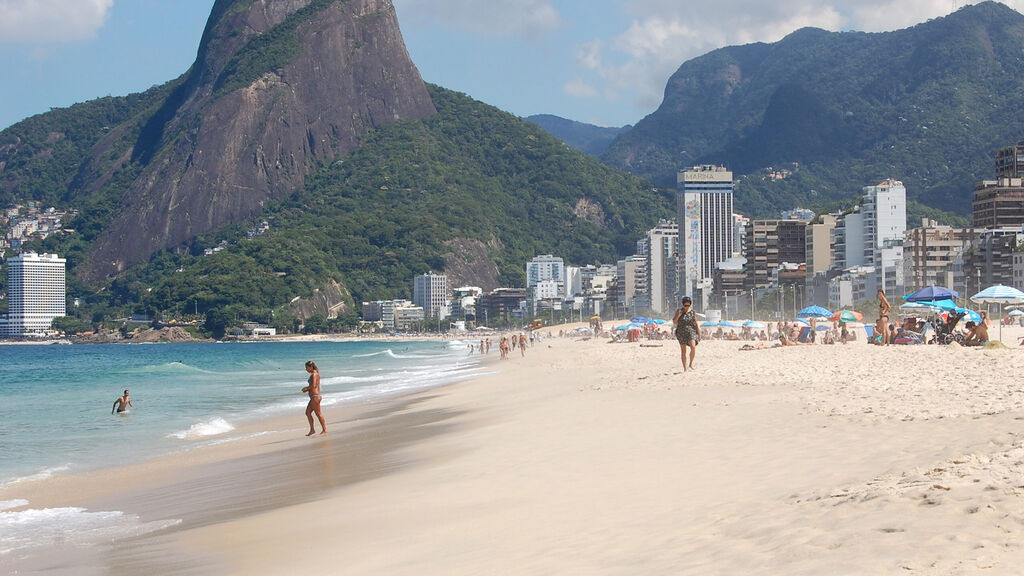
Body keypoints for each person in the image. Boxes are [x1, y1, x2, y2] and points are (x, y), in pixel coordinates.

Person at [672, 297, 700, 371]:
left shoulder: (693, 312)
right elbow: (674, 322)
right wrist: (679, 315)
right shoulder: (679, 311)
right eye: (685, 305)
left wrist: (699, 334)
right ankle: (685, 368)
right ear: (683, 305)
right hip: (681, 331)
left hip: (691, 331)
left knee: (693, 347)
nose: (686, 307)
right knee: (683, 351)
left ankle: (690, 364)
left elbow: (696, 323)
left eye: (688, 305)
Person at [302, 360, 327, 436]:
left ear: (311, 367)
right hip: (313, 397)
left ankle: (324, 429)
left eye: (307, 368)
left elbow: (314, 386)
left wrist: (306, 389)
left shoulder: (314, 374)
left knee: (318, 414)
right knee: (308, 413)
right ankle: (312, 430)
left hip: (315, 397)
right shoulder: (315, 374)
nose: (306, 369)